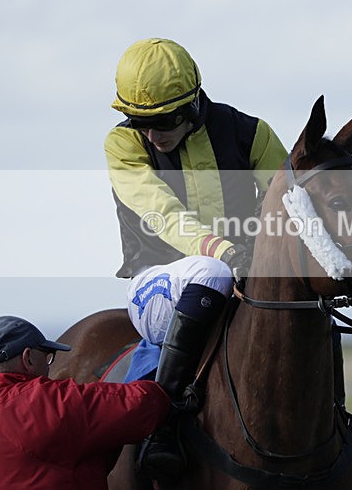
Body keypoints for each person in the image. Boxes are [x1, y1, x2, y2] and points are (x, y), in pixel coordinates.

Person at [104, 38, 287, 479]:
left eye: (162, 121)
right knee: (212, 270)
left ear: (193, 105)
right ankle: (159, 428)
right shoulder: (122, 145)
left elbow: (291, 202)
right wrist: (225, 250)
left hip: (243, 277)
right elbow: (163, 213)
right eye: (138, 120)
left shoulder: (250, 133)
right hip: (157, 282)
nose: (151, 134)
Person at [0, 315, 170, 490]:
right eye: (47, 358)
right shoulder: (43, 401)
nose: (49, 369)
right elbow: (141, 405)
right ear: (27, 358)